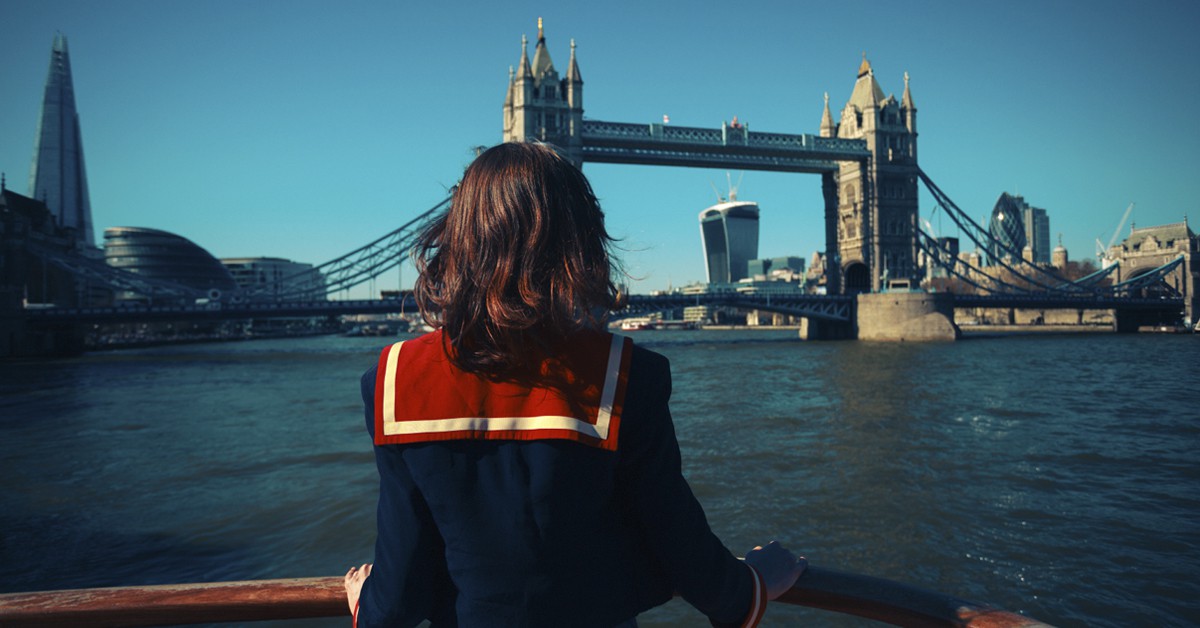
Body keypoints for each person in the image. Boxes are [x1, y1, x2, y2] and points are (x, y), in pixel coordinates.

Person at [344, 142, 805, 627]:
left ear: (457, 238)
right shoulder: (624, 374)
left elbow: (399, 598)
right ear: (581, 243)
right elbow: (680, 546)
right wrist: (752, 584)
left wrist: (365, 600)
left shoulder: (394, 380)